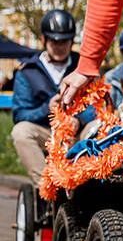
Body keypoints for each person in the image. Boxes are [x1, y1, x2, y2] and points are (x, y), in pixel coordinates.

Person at [11, 11, 93, 187]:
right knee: (21, 131)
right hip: (46, 132)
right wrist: (46, 109)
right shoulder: (27, 72)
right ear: (44, 39)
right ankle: (48, 187)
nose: (59, 46)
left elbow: (98, 106)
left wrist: (79, 120)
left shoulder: (85, 67)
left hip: (79, 133)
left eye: (64, 41)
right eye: (54, 41)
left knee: (100, 126)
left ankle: (91, 184)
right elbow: (19, 114)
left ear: (72, 40)